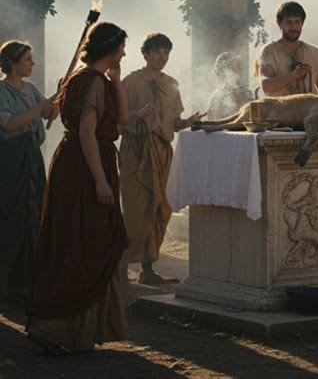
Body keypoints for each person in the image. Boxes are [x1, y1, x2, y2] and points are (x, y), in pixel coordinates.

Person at [27, 22, 131, 355]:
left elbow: (123, 122)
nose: (124, 54)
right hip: (86, 168)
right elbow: (87, 132)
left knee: (83, 238)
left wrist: (117, 81)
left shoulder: (90, 80)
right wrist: (100, 180)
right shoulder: (90, 83)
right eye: (122, 48)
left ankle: (73, 330)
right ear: (112, 48)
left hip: (77, 162)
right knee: (82, 240)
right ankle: (57, 328)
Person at [119, 33, 203, 285]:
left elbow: (174, 123)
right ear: (145, 54)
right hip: (136, 150)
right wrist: (137, 114)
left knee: (161, 208)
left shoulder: (172, 84)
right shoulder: (130, 82)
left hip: (163, 150)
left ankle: (148, 269)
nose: (162, 57)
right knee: (135, 211)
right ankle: (120, 269)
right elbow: (118, 119)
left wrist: (188, 122)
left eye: (166, 52)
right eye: (157, 52)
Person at [0, 41, 56, 310]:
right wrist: (40, 108)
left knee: (33, 217)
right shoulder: (0, 90)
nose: (32, 64)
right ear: (12, 62)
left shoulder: (31, 89)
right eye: (27, 60)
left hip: (32, 158)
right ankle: (5, 288)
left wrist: (57, 99)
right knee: (10, 218)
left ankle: (27, 286)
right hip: (10, 160)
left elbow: (49, 112)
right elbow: (10, 123)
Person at [255, 1, 318, 104]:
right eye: (289, 22)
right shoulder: (269, 52)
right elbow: (266, 85)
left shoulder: (314, 53)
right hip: (280, 114)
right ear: (280, 24)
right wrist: (293, 76)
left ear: (302, 23)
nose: (293, 27)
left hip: (311, 113)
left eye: (297, 22)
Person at [206, 51, 253, 119]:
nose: (239, 71)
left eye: (239, 67)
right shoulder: (216, 97)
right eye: (234, 68)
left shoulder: (246, 93)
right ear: (224, 72)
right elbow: (212, 121)